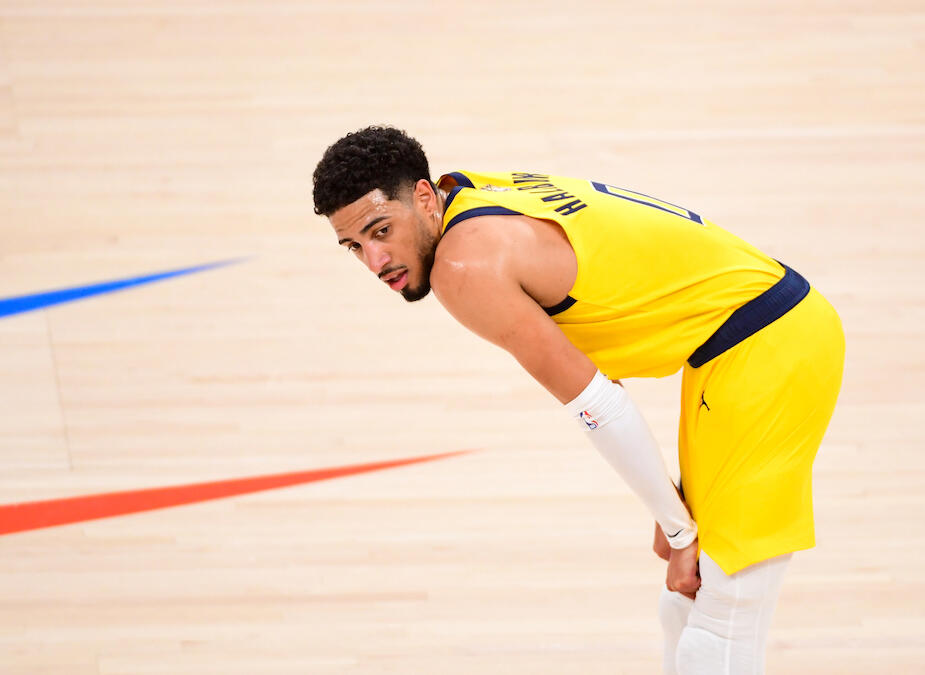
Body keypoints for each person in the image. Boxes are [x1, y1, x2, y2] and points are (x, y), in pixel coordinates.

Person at [311, 126, 845, 675]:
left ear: (423, 197)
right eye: (354, 246)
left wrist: (678, 527)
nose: (375, 261)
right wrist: (672, 511)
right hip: (736, 345)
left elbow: (599, 406)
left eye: (381, 230)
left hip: (770, 345)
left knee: (723, 619)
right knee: (686, 603)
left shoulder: (464, 266)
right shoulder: (464, 190)